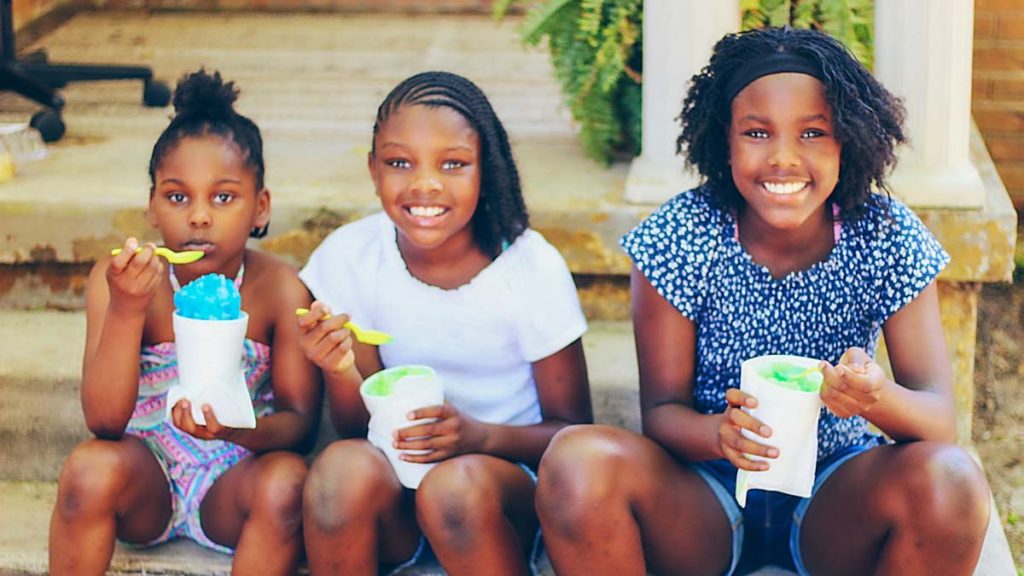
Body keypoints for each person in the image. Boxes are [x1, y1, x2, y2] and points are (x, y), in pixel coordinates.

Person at [535, 26, 992, 576]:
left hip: (837, 493)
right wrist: (718, 434)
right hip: (704, 498)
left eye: (813, 132)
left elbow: (939, 419)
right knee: (574, 460)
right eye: (756, 132)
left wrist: (873, 397)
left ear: (848, 140)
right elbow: (661, 415)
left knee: (953, 477)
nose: (783, 158)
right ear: (722, 141)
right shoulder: (679, 235)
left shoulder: (884, 235)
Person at [298, 70, 592, 576]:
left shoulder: (529, 267)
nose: (424, 184)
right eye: (398, 163)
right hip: (396, 490)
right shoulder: (349, 258)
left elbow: (573, 433)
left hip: (500, 490)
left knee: (452, 489)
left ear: (487, 170)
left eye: (453, 164)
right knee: (336, 474)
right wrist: (340, 368)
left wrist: (478, 437)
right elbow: (353, 428)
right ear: (373, 170)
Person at [49, 69, 322, 576]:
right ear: (152, 205)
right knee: (87, 469)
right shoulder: (122, 280)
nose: (199, 216)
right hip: (144, 473)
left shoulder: (281, 290)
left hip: (233, 478)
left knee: (287, 480)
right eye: (178, 197)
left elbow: (301, 426)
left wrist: (239, 430)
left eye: (223, 197)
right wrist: (128, 309)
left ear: (260, 208)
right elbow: (105, 422)